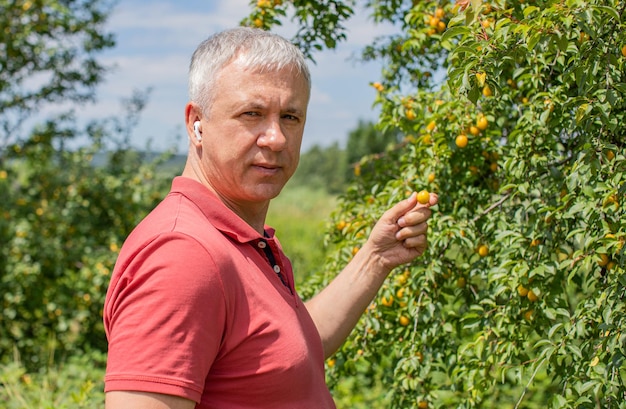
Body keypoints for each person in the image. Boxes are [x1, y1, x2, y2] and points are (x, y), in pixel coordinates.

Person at [103, 27, 438, 409]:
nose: (276, 138)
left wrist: (376, 258)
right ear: (197, 123)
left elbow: (289, 348)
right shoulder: (183, 256)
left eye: (291, 116)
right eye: (253, 113)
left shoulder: (237, 237)